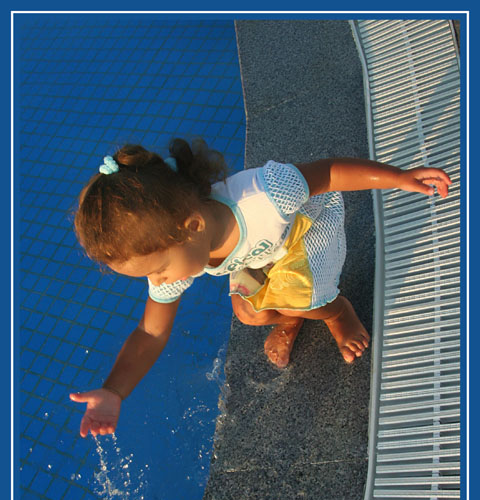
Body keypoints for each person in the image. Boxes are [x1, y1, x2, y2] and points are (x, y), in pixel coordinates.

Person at [69, 138, 451, 438]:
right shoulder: (180, 251)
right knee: (248, 313)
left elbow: (331, 174)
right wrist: (115, 391)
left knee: (302, 295)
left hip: (309, 230)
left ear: (192, 227)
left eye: (160, 270)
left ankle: (336, 311)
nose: (160, 282)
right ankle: (293, 317)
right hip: (263, 254)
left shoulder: (266, 194)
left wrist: (398, 177)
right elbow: (151, 331)